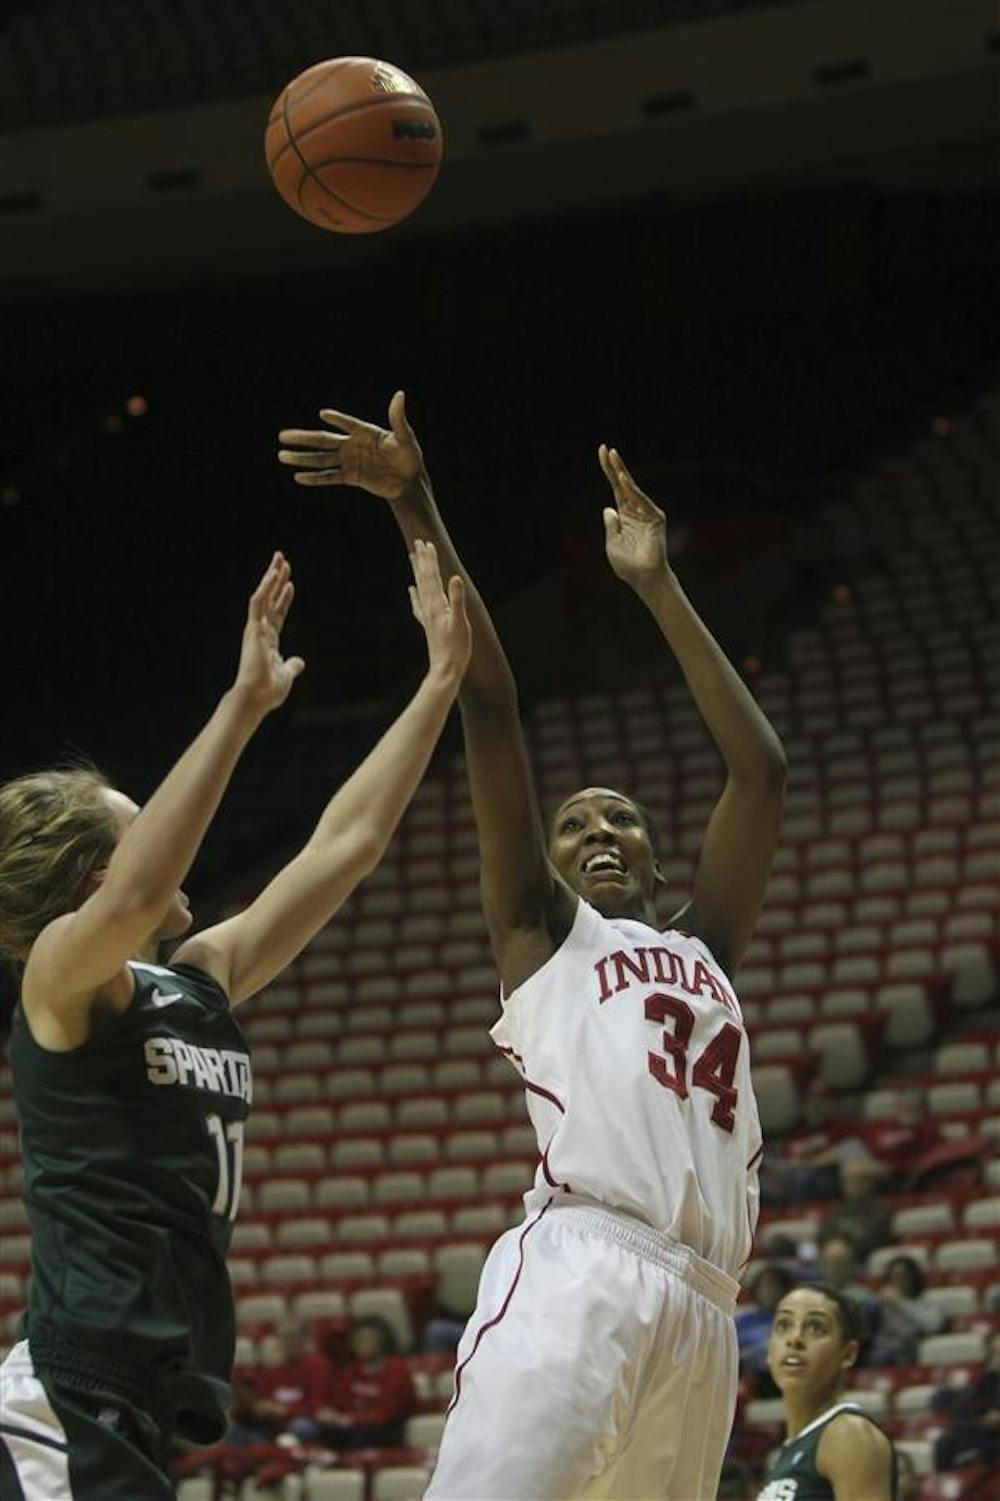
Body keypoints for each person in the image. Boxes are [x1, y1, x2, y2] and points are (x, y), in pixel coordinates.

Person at [278, 392, 787, 1500]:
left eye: (622, 821)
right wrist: (415, 502)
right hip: (584, 1273)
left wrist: (658, 585)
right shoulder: (544, 931)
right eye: (574, 825)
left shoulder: (707, 949)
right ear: (548, 864)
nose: (598, 832)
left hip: (707, 1308)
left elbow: (761, 771)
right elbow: (493, 706)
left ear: (659, 860)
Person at [0, 545, 470, 1499]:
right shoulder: (57, 981)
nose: (170, 840)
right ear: (93, 875)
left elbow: (349, 843)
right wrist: (243, 705)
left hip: (134, 1399)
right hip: (64, 1398)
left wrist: (442, 680)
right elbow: (134, 896)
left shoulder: (199, 978)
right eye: (142, 823)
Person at [756, 1283, 896, 1500]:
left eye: (815, 1327)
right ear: (769, 1352)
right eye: (784, 1325)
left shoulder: (848, 1434)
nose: (795, 1339)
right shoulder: (791, 1449)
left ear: (848, 1354)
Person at [316, 1316, 417, 1450]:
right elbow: (339, 1402)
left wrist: (350, 1419)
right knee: (324, 1433)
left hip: (388, 1428)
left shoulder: (397, 1370)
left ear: (380, 1342)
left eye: (367, 1339)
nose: (362, 1344)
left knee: (364, 1437)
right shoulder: (351, 1371)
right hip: (354, 1426)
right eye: (359, 1340)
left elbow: (387, 1414)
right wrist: (330, 1413)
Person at [932, 1330, 1000, 1471]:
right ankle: (944, 1487)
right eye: (995, 1353)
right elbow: (977, 1403)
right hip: (985, 1433)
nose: (998, 1357)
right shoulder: (989, 1379)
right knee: (945, 1443)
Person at [868, 1254, 945, 1367]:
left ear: (913, 1277)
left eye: (903, 1276)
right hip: (885, 1349)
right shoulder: (883, 1302)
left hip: (913, 1347)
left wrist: (900, 1302)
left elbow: (933, 1325)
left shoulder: (927, 1300)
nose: (898, 1281)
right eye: (894, 1277)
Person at [817, 1160, 892, 1261]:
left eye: (860, 1181)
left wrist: (846, 1245)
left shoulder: (879, 1209)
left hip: (863, 1259)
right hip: (835, 1256)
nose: (854, 1186)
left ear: (870, 1183)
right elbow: (822, 1236)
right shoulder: (837, 1210)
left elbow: (874, 1239)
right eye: (849, 1181)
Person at [737, 1266, 796, 1375]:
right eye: (764, 1286)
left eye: (774, 1286)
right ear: (756, 1289)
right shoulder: (741, 1316)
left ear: (784, 1289)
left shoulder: (792, 1320)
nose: (769, 1291)